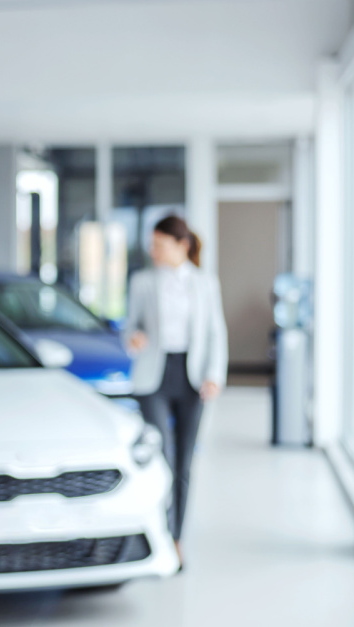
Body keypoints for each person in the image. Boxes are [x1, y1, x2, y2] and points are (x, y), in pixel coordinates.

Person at [123, 214, 228, 566]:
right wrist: (133, 337)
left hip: (191, 376)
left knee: (183, 461)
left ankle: (177, 537)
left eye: (160, 244)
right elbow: (130, 326)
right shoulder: (141, 282)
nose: (153, 250)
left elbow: (216, 331)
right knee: (161, 457)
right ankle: (157, 531)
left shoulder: (204, 283)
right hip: (153, 375)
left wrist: (214, 374)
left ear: (181, 245)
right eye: (151, 244)